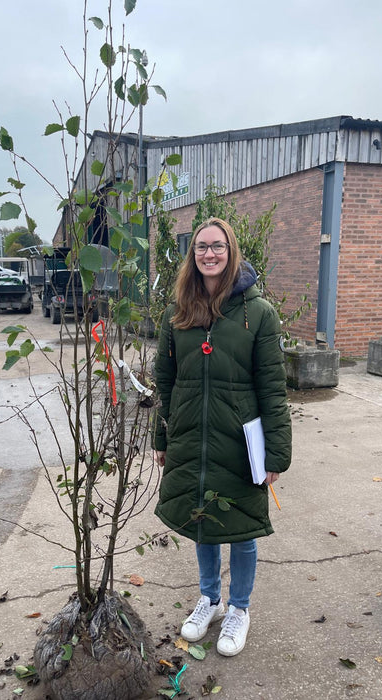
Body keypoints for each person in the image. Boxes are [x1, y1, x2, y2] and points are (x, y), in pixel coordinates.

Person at [153, 217, 291, 657]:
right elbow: (165, 381)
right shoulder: (178, 312)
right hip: (192, 434)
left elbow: (272, 387)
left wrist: (276, 453)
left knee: (241, 529)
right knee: (202, 520)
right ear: (192, 256)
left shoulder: (259, 313)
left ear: (231, 252)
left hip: (240, 440)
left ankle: (240, 608)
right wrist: (162, 437)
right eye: (200, 248)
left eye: (217, 247)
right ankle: (209, 600)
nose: (209, 254)